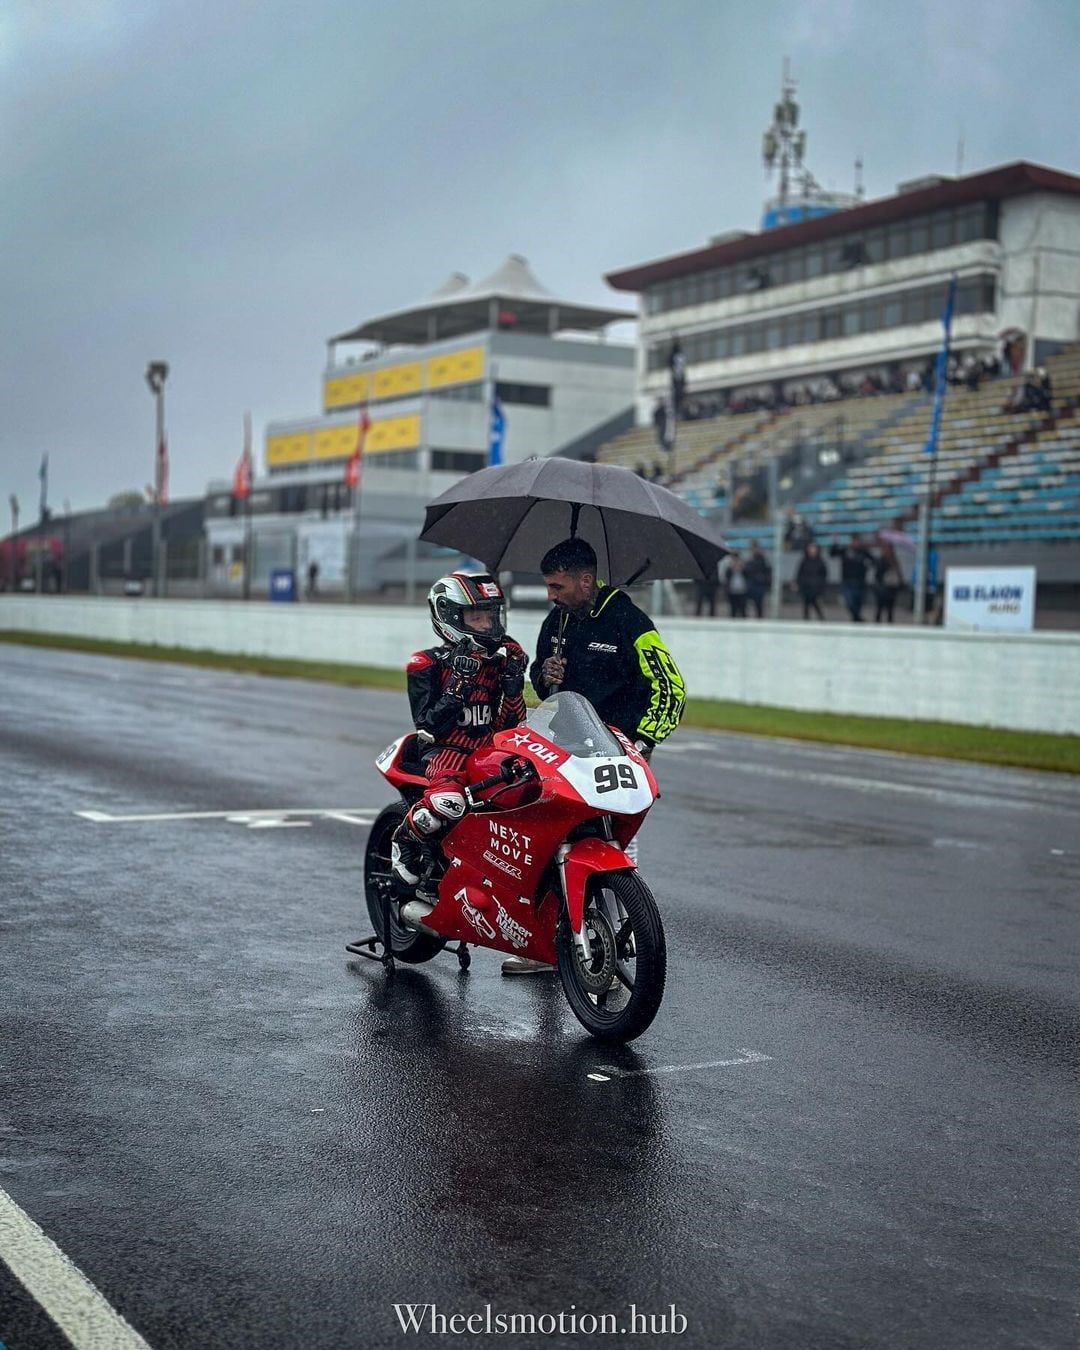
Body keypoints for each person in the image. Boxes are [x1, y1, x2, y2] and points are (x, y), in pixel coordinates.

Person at [510, 537, 687, 975]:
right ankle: (556, 942)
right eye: (548, 587)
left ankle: (614, 941)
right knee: (553, 841)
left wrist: (643, 743)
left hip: (617, 751)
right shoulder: (557, 621)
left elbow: (672, 688)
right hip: (562, 750)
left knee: (614, 846)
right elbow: (543, 683)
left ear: (585, 580)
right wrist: (543, 674)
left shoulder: (629, 620)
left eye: (558, 586)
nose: (551, 595)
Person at [390, 573, 528, 912]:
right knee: (449, 803)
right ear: (449, 617)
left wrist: (512, 684)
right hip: (446, 751)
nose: (487, 624)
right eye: (476, 617)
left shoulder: (499, 660)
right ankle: (405, 840)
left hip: (489, 749)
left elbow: (511, 723)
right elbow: (428, 725)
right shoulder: (426, 663)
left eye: (491, 615)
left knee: (532, 788)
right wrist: (458, 687)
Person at [829, 535, 873, 622]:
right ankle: (857, 618)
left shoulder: (863, 552)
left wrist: (866, 567)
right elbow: (833, 554)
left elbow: (872, 561)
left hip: (860, 582)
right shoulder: (845, 551)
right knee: (849, 602)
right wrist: (834, 542)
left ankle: (856, 618)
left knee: (858, 602)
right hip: (847, 581)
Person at [796, 543, 827, 621]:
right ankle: (807, 618)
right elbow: (800, 573)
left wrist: (820, 584)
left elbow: (824, 574)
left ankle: (820, 617)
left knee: (814, 601)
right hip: (806, 586)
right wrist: (798, 583)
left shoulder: (820, 562)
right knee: (807, 603)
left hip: (815, 586)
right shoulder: (804, 561)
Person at [873, 546, 903, 623]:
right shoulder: (881, 561)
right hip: (883, 587)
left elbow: (899, 574)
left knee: (890, 608)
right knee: (880, 607)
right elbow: (878, 574)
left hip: (891, 587)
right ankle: (878, 621)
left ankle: (889, 621)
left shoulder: (894, 562)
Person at [743, 541, 771, 618]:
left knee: (759, 605)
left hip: (759, 586)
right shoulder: (749, 560)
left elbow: (767, 572)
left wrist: (764, 580)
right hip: (751, 585)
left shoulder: (763, 560)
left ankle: (759, 618)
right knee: (746, 604)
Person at [722, 552, 748, 618]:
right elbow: (726, 578)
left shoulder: (744, 567)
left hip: (742, 590)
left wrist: (742, 569)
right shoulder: (729, 568)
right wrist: (731, 569)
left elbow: (748, 576)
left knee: (743, 609)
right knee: (733, 609)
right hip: (732, 590)